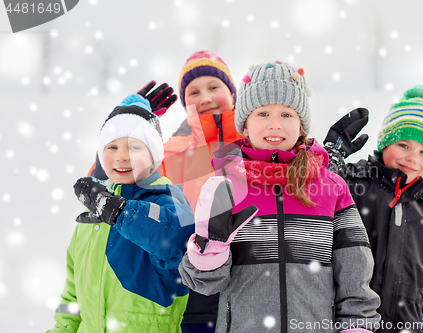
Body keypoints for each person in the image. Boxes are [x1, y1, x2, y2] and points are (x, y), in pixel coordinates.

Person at [179, 61, 381, 333]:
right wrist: (211, 248)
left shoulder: (332, 187)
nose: (274, 125)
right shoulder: (224, 187)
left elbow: (355, 272)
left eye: (287, 115)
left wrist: (357, 327)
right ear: (245, 126)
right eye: (262, 114)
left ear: (301, 127)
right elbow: (205, 283)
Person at [87, 50, 243, 332]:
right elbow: (112, 182)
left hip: (251, 273)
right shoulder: (173, 152)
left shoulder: (255, 143)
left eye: (214, 87)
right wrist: (127, 126)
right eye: (193, 92)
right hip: (191, 281)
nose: (205, 97)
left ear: (232, 92)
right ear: (185, 103)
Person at [47, 94, 195, 333]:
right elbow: (72, 293)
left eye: (135, 146)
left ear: (154, 155)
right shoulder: (91, 219)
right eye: (112, 147)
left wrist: (116, 210)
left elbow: (178, 239)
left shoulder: (169, 199)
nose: (122, 156)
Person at [323, 85, 423, 333]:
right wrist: (331, 158)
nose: (413, 157)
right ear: (384, 143)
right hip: (352, 323)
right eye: (404, 145)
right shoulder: (354, 183)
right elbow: (315, 191)